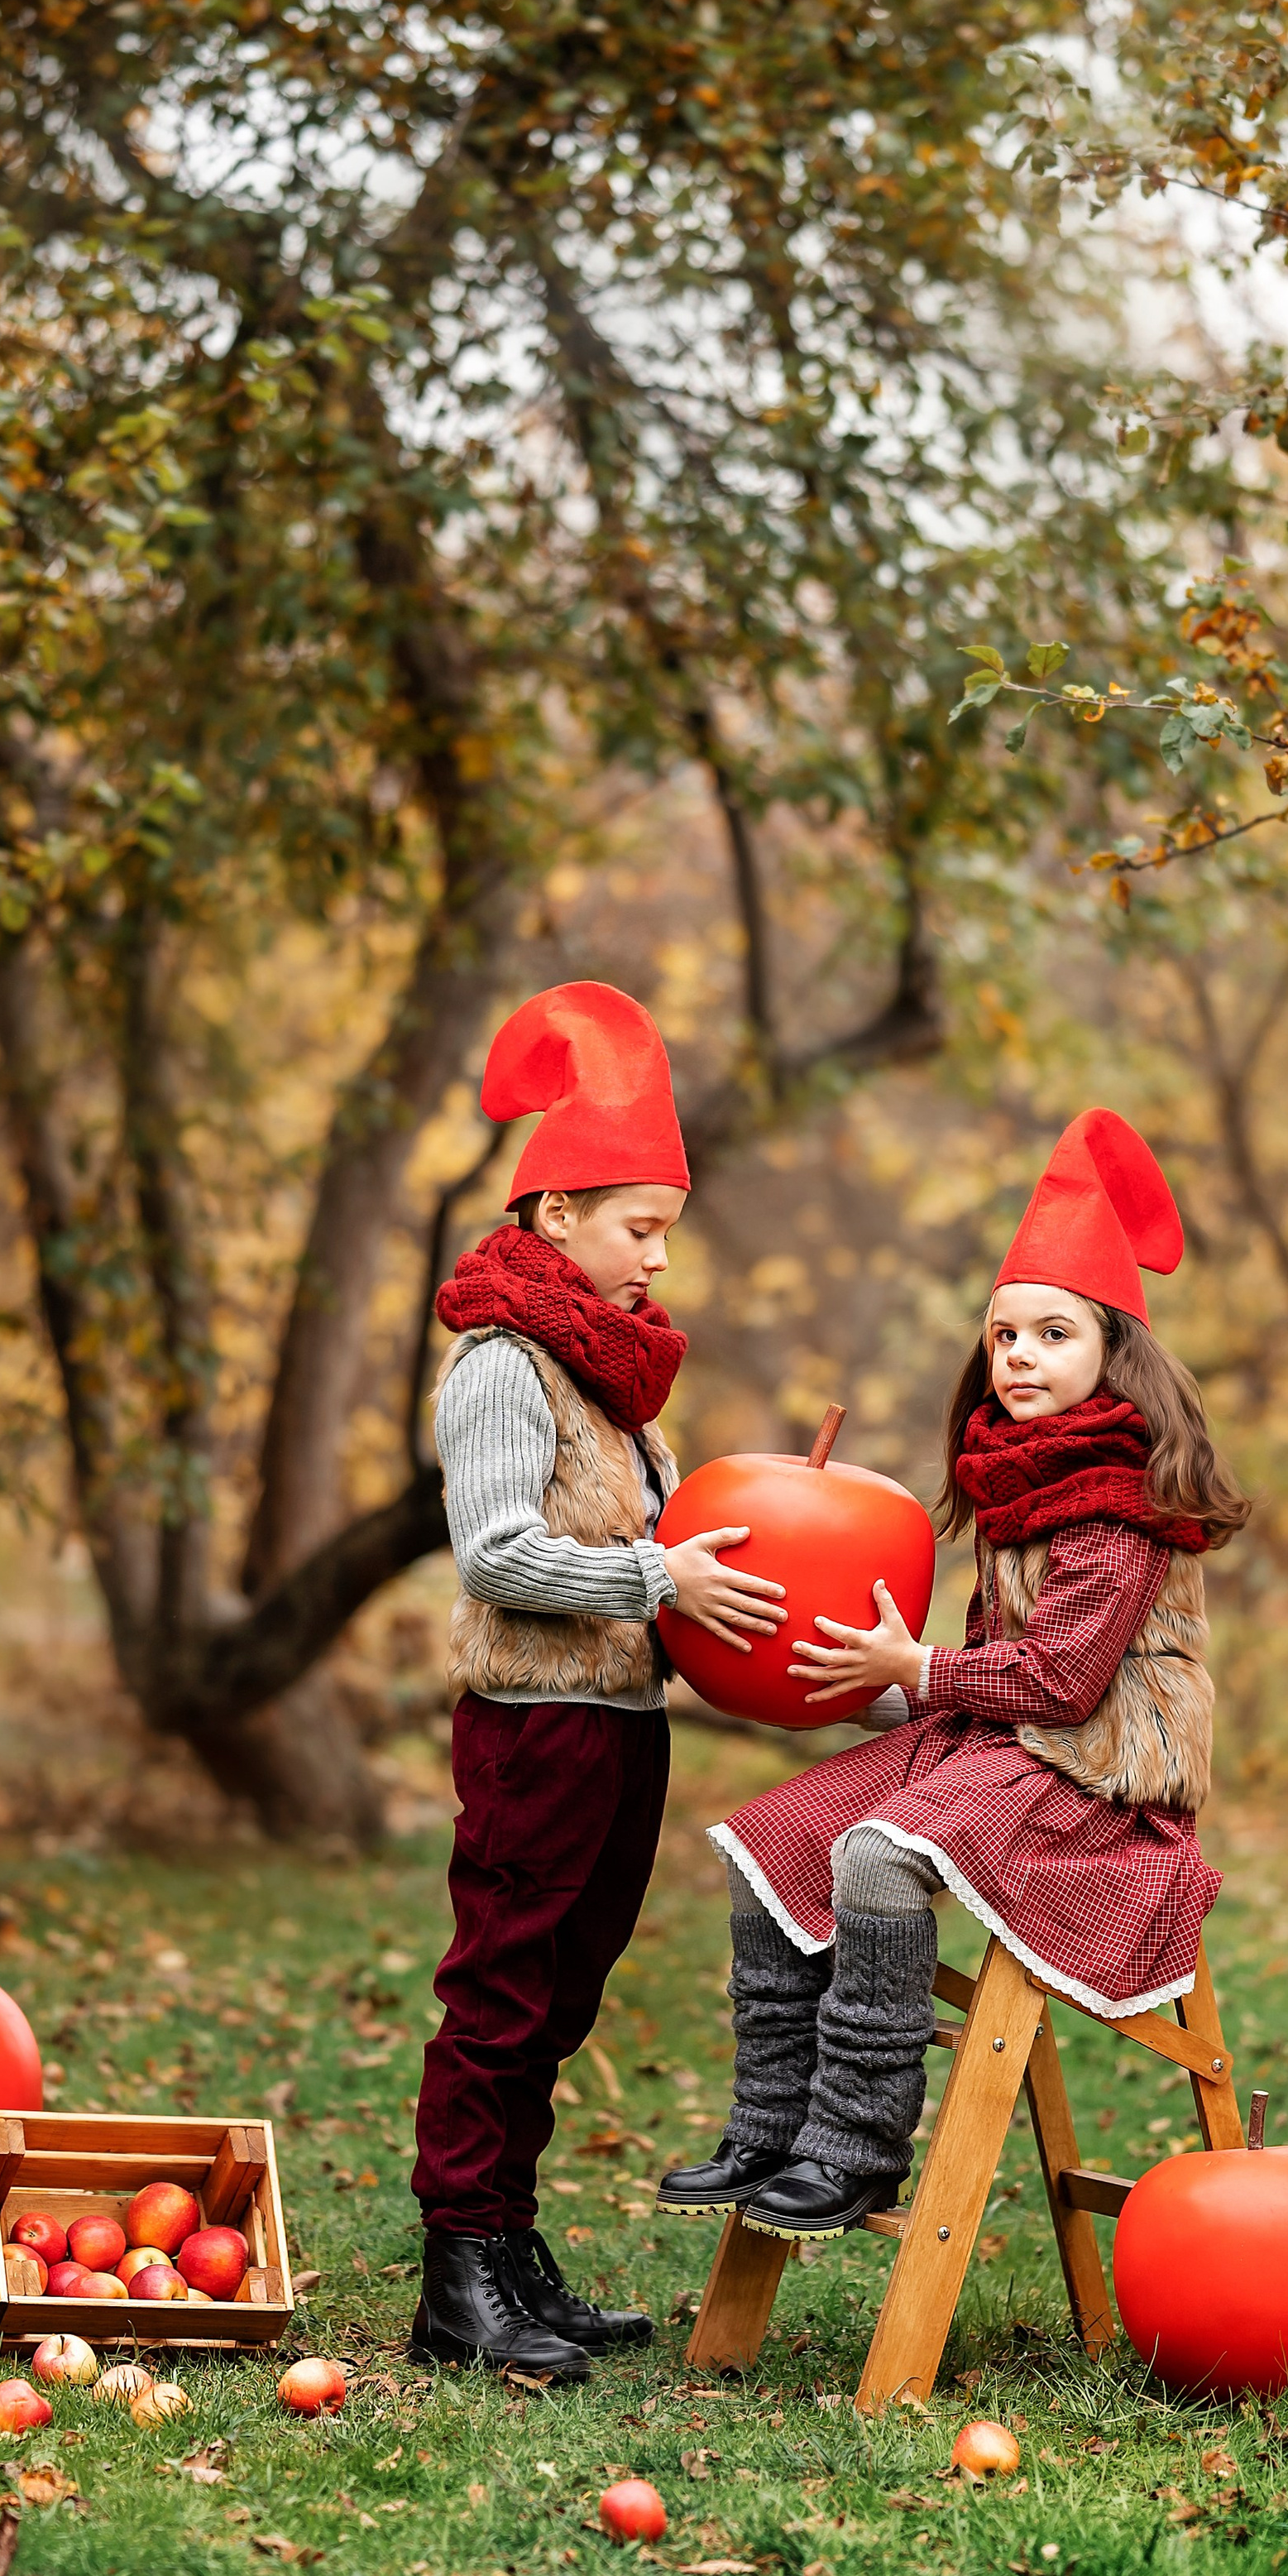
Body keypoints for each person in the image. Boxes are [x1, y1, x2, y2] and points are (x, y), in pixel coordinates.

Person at [657, 1108, 1249, 2242]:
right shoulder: (1019, 1481)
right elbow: (985, 1673)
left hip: (1094, 1775)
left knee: (880, 1855)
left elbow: (1065, 1682)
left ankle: (857, 2147)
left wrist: (915, 1666)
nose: (1018, 1356)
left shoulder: (1119, 1502)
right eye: (1003, 1336)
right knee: (770, 1840)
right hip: (1002, 1746)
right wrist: (855, 1681)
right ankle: (773, 2123)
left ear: (1113, 1356)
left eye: (1052, 1335)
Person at [409, 981, 786, 2380]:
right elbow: (499, 1555)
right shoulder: (502, 1364)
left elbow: (651, 1553)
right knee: (502, 1995)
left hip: (620, 1729)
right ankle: (460, 2270)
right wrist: (658, 1579)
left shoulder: (611, 1383)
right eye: (642, 1229)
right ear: (554, 1215)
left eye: (669, 1235)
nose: (660, 1264)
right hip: (531, 1730)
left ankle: (509, 2249)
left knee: (561, 2001)